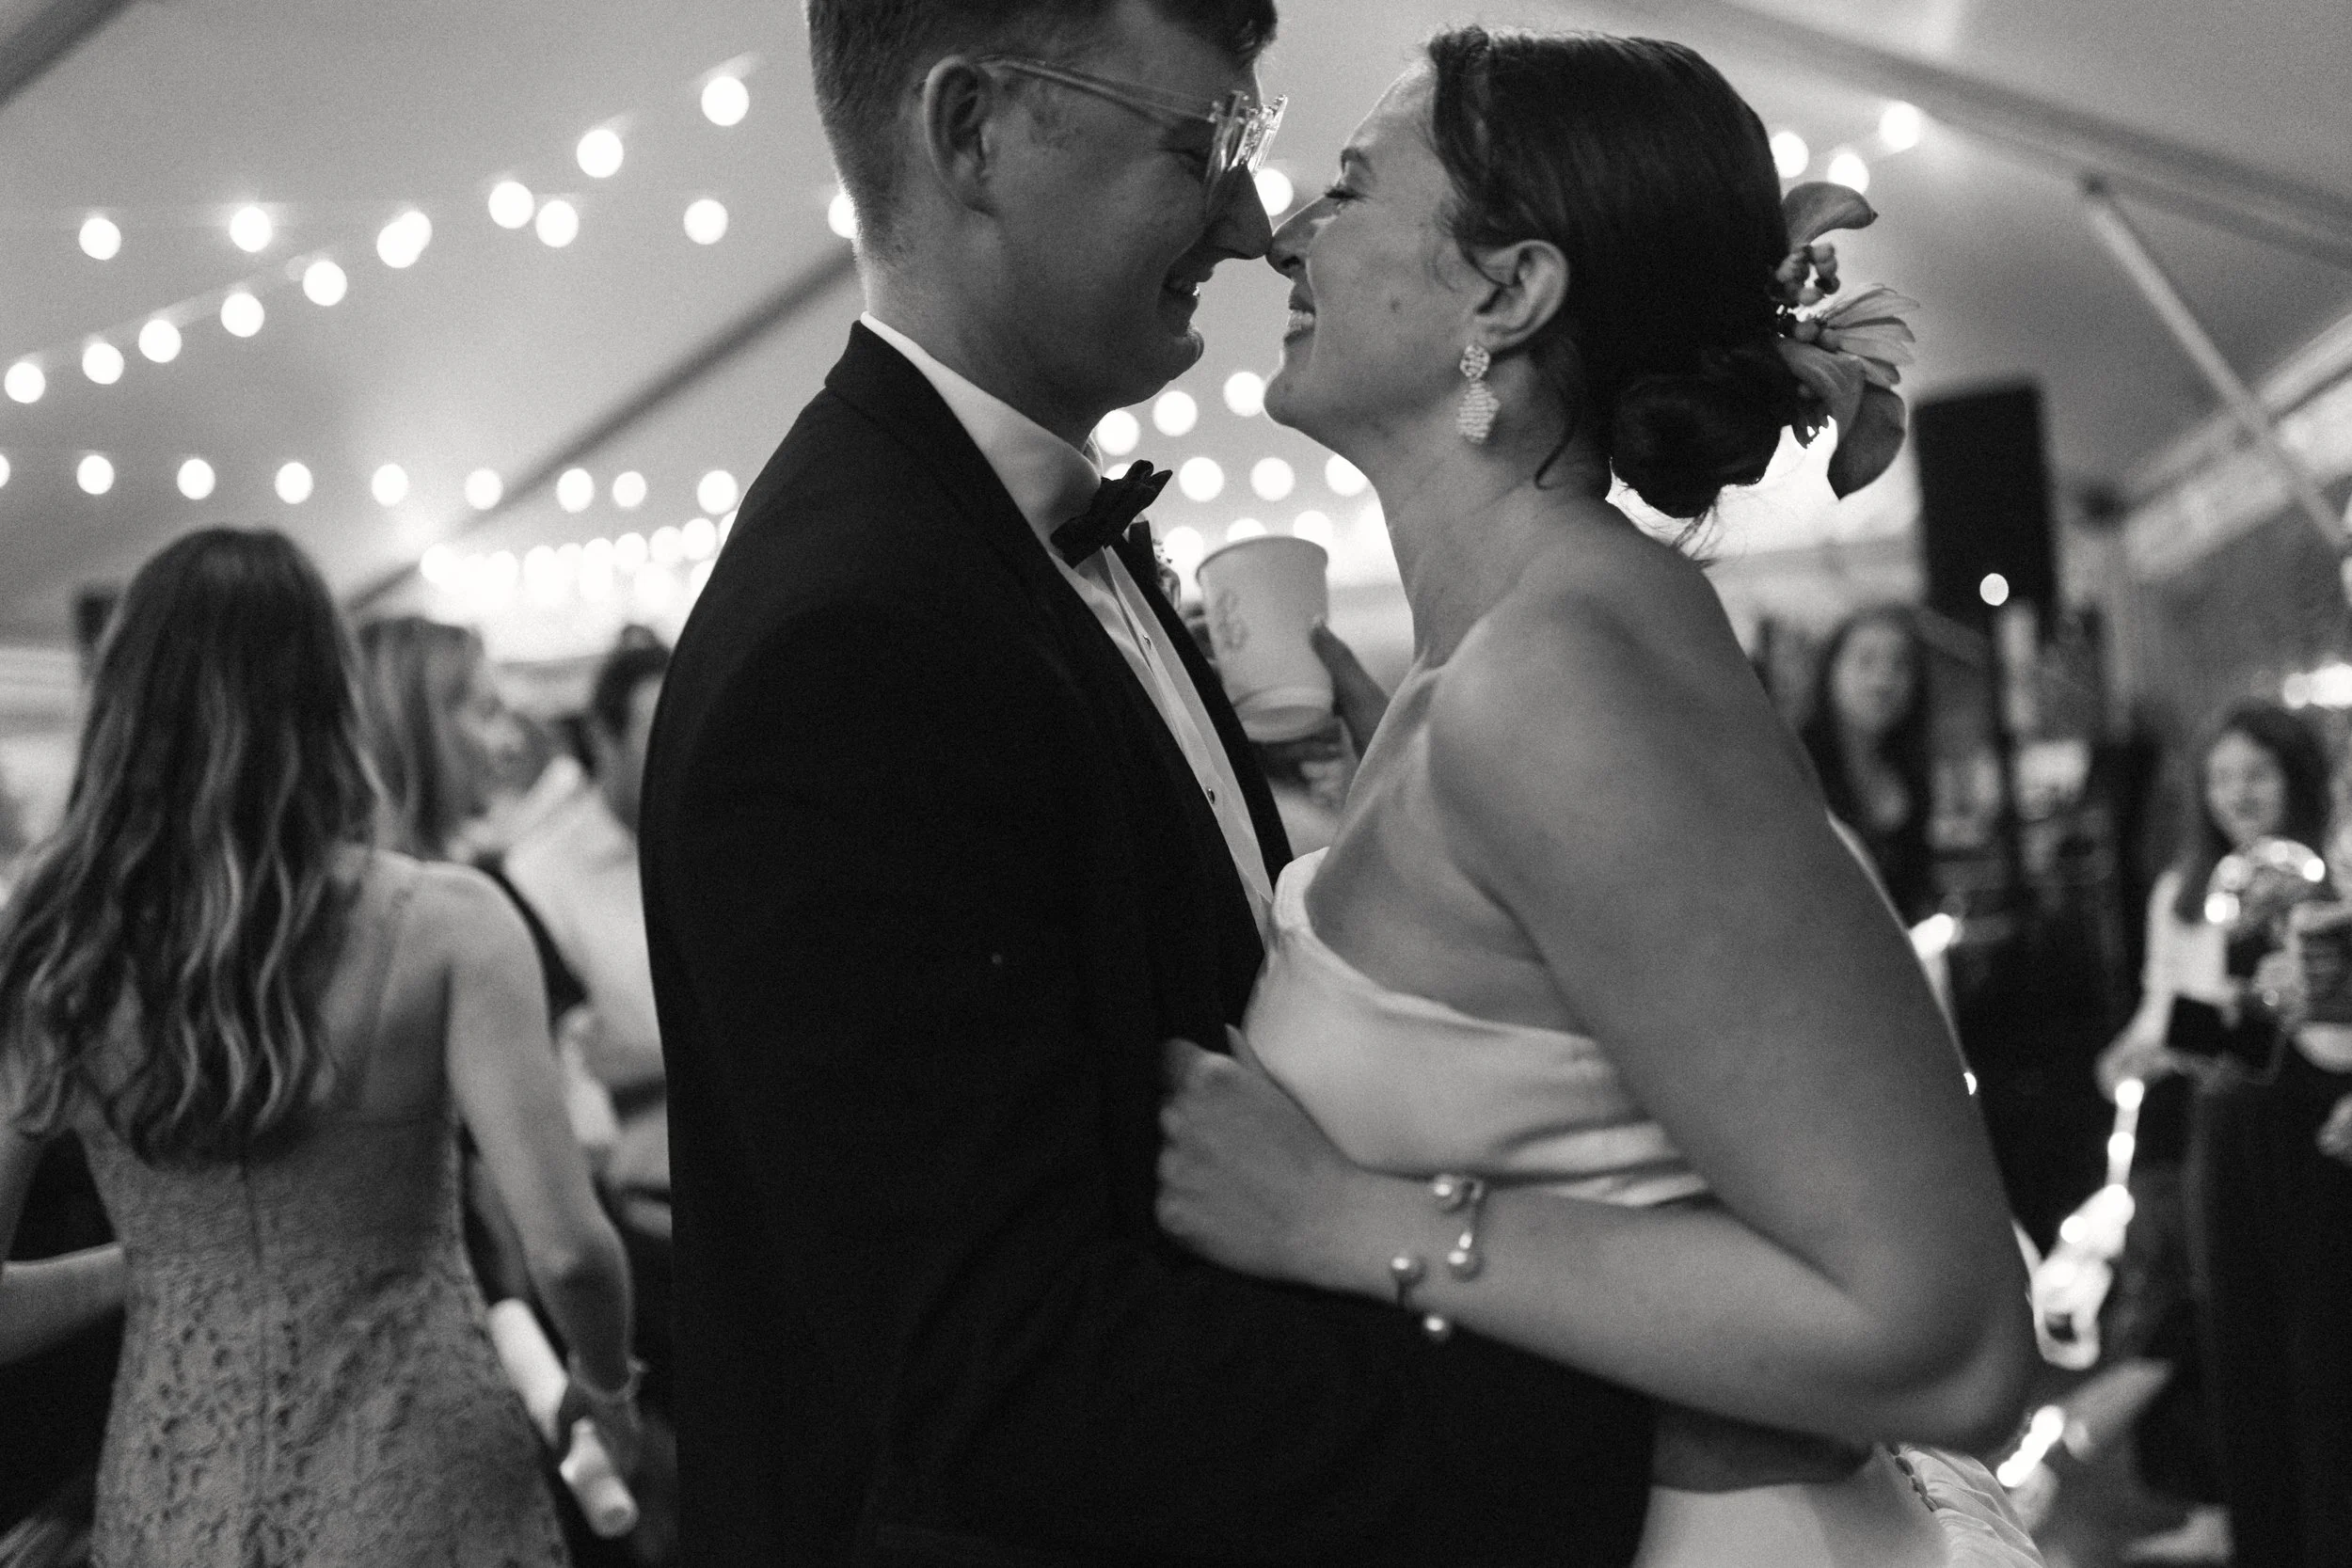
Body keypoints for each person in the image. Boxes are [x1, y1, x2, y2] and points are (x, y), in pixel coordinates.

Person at [641, 2, 1666, 1562]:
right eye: (1204, 144)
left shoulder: (1015, 544)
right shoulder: (852, 639)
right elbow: (1006, 1372)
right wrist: (1615, 1426)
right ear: (974, 131)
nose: (1256, 223)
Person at [1151, 29, 2037, 1564]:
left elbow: (1952, 1337)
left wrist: (1345, 1220)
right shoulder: (1509, 665)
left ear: (1508, 294)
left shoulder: (1553, 686)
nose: (1289, 229)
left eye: (1354, 188)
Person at [0, 529, 639, 1565]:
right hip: (422, 1484)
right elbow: (568, 1245)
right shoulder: (447, 922)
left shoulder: (57, 942)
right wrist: (604, 1386)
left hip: (179, 1496)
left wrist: (159, 1263)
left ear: (119, 708)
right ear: (329, 699)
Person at [2099, 702, 2352, 1568]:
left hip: (2313, 1123)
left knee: (2324, 1345)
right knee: (2238, 1344)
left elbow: (2306, 1024)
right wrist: (2138, 1049)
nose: (2237, 794)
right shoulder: (2185, 889)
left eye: (2257, 773)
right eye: (2220, 777)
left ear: (2298, 778)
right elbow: (2169, 1012)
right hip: (2228, 1129)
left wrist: (2211, 1025)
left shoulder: (2330, 876)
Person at [504, 639, 671, 1205]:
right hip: (634, 1200)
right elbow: (572, 1068)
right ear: (603, 737)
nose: (680, 749)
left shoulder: (722, 849)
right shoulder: (538, 873)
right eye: (656, 732)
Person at [1800, 605, 1937, 923]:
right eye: (1866, 661)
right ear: (1830, 671)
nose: (1883, 680)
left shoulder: (1911, 774)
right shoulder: (1798, 769)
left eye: (1900, 665)